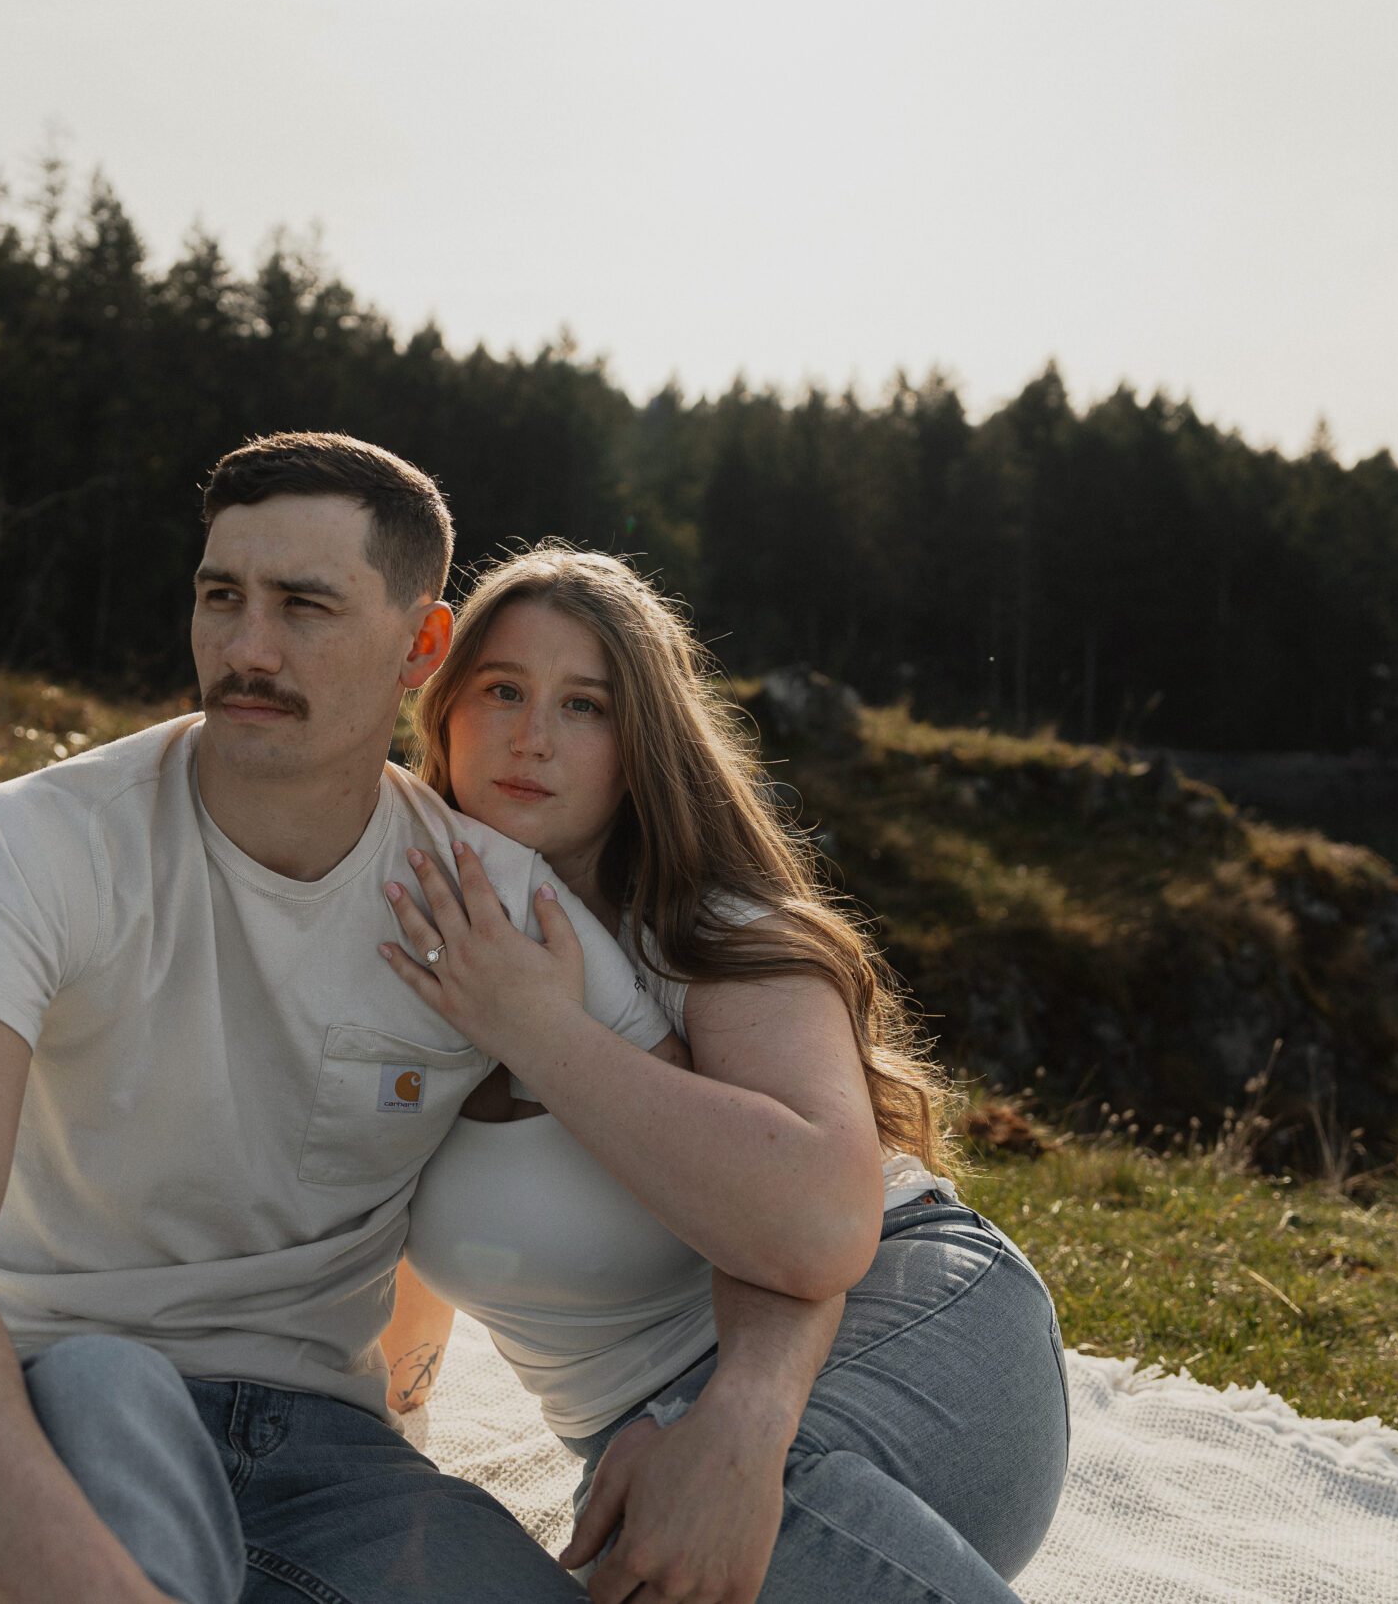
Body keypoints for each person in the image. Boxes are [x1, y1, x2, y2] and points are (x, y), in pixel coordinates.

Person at [0, 434, 860, 1604]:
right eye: (222, 598)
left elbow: (769, 1211)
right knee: (107, 1390)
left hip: (319, 1451)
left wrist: (736, 1419)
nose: (247, 650)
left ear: (422, 647)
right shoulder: (39, 843)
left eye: (305, 606)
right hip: (38, 1401)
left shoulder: (494, 909)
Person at [376, 543, 1073, 1604]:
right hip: (639, 1433)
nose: (532, 737)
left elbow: (811, 1228)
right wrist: (385, 1446)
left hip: (899, 1325)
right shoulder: (412, 930)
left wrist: (535, 1027)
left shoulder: (713, 931)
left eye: (586, 707)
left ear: (639, 743)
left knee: (688, 1535)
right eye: (503, 690)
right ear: (445, 711)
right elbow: (396, 1229)